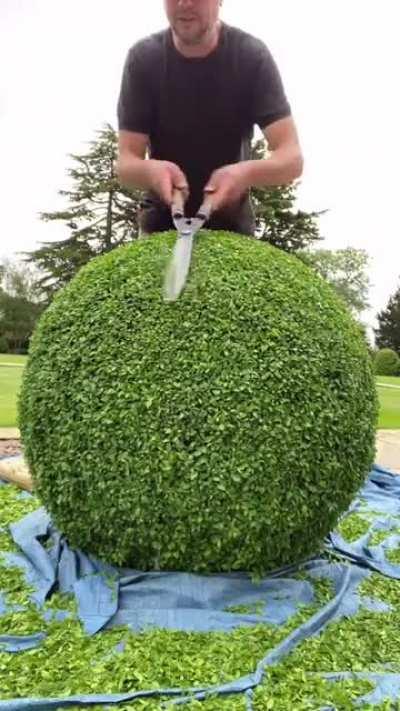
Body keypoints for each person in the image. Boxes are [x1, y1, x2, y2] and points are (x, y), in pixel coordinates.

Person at [115, 0, 303, 236]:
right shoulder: (143, 59)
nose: (185, 3)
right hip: (159, 228)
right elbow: (126, 164)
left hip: (232, 230)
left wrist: (243, 174)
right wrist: (153, 172)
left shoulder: (250, 57)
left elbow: (291, 158)